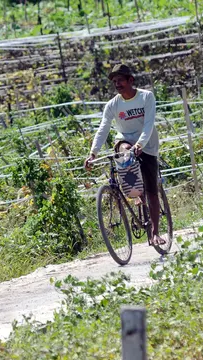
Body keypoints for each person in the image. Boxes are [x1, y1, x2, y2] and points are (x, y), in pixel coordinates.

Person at [84, 64, 166, 246]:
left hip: (148, 145)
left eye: (120, 80)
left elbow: (149, 124)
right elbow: (103, 128)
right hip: (126, 141)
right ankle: (136, 192)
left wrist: (141, 144)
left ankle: (155, 233)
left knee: (152, 191)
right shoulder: (112, 105)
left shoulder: (146, 97)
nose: (117, 84)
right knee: (125, 151)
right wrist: (93, 153)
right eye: (114, 81)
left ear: (131, 80)